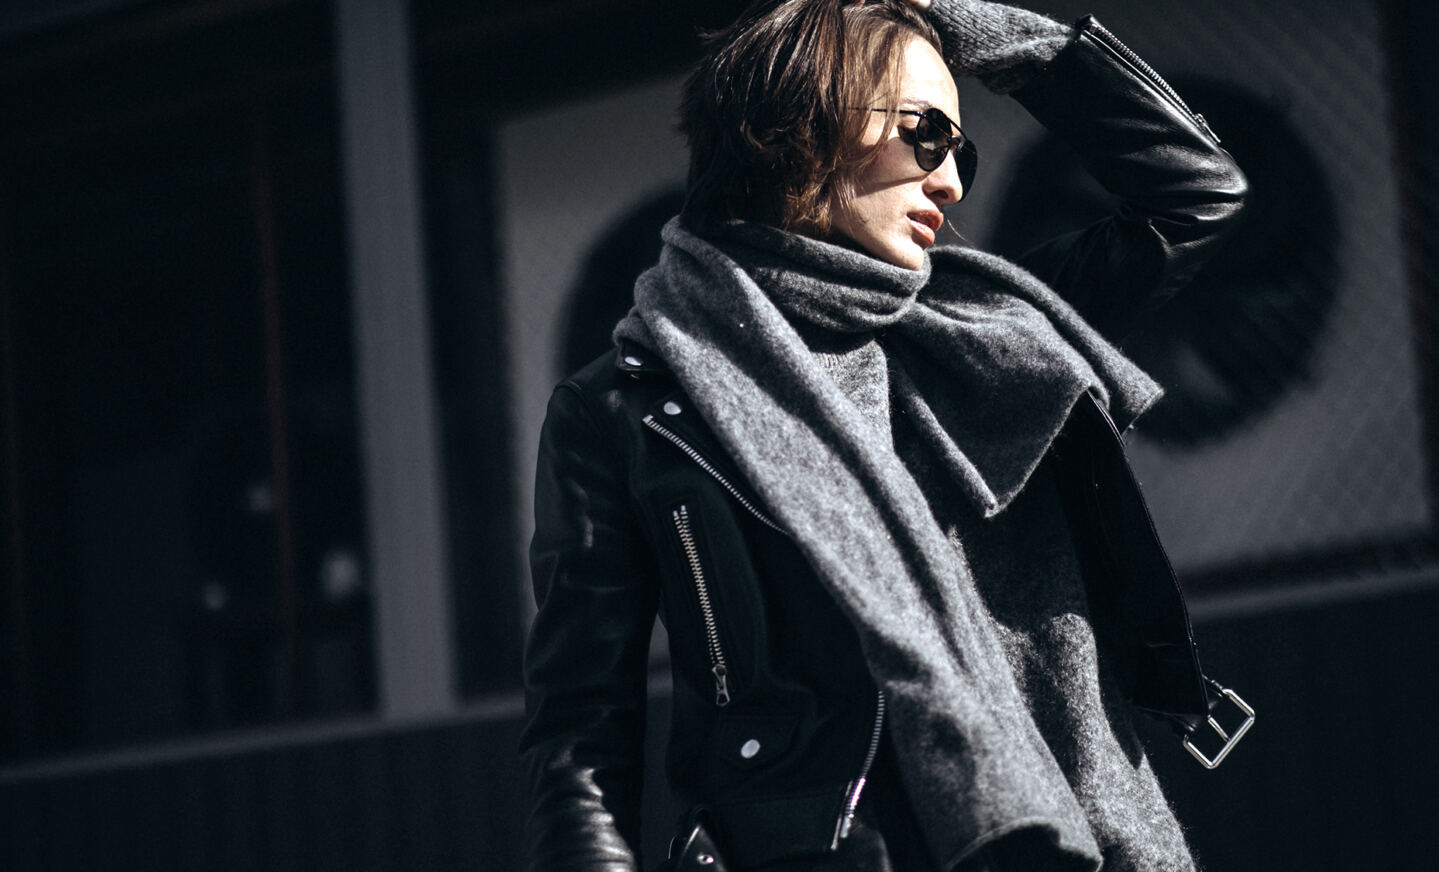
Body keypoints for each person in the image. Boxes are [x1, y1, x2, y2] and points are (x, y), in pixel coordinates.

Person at [518, 1, 1251, 870]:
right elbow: (581, 737)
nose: (951, 184)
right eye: (926, 135)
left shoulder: (990, 341)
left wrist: (962, 24)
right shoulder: (626, 408)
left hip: (1057, 840)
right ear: (805, 119)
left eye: (961, 153)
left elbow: (1198, 194)